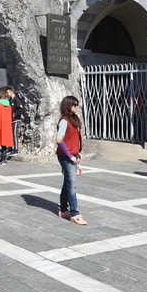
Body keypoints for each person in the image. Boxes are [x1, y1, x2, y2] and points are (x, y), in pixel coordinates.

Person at [56, 95, 87, 225]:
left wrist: (78, 151)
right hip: (65, 156)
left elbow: (73, 139)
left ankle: (63, 209)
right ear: (68, 106)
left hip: (73, 154)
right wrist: (70, 156)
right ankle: (74, 213)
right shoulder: (64, 121)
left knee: (68, 182)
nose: (76, 107)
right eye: (74, 105)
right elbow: (59, 140)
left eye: (77, 105)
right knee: (72, 184)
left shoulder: (74, 119)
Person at [6, 86, 24, 155]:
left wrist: (14, 114)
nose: (7, 94)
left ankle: (15, 149)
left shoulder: (16, 99)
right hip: (10, 120)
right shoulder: (10, 100)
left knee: (14, 134)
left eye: (7, 92)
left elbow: (21, 108)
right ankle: (10, 148)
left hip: (16, 120)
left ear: (11, 92)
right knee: (9, 135)